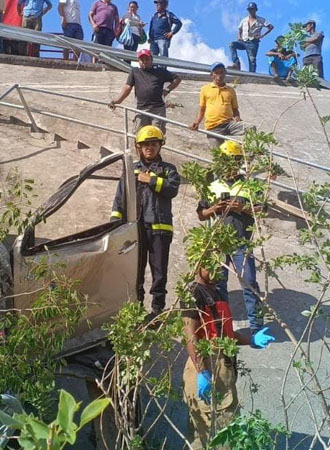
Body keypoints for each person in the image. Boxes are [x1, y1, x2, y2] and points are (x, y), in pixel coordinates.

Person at [182, 265, 274, 448]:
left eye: (220, 265)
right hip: (208, 365)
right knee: (216, 432)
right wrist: (202, 372)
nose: (219, 270)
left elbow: (225, 335)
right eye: (212, 266)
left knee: (221, 428)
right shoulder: (193, 293)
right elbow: (190, 336)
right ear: (199, 266)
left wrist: (251, 340)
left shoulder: (217, 293)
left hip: (222, 367)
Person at [195, 140, 267, 337]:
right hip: (217, 244)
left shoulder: (249, 184)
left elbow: (263, 209)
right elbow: (201, 214)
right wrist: (215, 208)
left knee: (249, 283)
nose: (230, 165)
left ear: (238, 162)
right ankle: (223, 325)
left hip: (241, 242)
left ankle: (257, 328)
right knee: (218, 286)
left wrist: (241, 207)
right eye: (225, 161)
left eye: (233, 160)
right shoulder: (212, 184)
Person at [110, 125, 180, 318]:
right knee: (136, 272)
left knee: (159, 274)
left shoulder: (169, 170)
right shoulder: (131, 171)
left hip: (160, 230)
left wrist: (149, 180)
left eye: (153, 144)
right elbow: (120, 199)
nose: (149, 147)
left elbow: (172, 189)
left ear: (160, 146)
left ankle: (157, 311)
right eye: (145, 144)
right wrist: (114, 224)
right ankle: (137, 309)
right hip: (136, 231)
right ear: (138, 147)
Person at [109, 49, 182, 134]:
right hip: (141, 109)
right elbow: (127, 87)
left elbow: (177, 79)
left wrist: (167, 90)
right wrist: (117, 101)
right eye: (142, 60)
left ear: (151, 60)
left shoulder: (160, 71)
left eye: (147, 59)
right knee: (139, 135)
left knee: (156, 135)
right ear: (138, 61)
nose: (144, 62)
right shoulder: (135, 72)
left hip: (157, 109)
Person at [189, 63, 249, 149]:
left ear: (225, 73)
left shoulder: (231, 90)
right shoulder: (205, 89)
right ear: (211, 74)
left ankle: (247, 157)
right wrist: (196, 122)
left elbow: (235, 109)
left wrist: (237, 117)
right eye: (216, 73)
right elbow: (202, 110)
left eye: (221, 72)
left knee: (250, 129)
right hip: (213, 127)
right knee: (218, 155)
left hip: (229, 124)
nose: (219, 76)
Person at [228, 2, 273, 73]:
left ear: (255, 10)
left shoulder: (261, 20)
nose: (251, 11)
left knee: (252, 60)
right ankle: (236, 63)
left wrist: (262, 35)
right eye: (249, 9)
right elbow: (239, 30)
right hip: (243, 41)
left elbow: (270, 27)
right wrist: (239, 37)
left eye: (252, 9)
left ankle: (252, 74)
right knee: (232, 44)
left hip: (253, 42)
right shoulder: (244, 20)